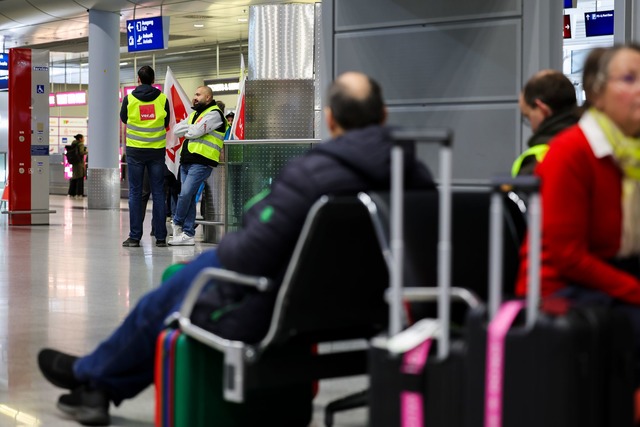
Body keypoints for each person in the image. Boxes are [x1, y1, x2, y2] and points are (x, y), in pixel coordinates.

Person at [37, 71, 435, 426]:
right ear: (382, 116)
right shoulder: (417, 179)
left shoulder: (312, 175)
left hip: (285, 308)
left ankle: (94, 379)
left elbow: (246, 257)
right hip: (373, 310)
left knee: (170, 297)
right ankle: (94, 377)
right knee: (183, 285)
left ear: (330, 119)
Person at [515, 44, 640, 387]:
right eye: (629, 79)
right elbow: (568, 257)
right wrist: (634, 289)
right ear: (597, 94)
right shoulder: (571, 151)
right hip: (561, 288)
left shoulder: (632, 155)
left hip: (610, 272)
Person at [168, 86, 227, 246]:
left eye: (198, 94)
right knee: (190, 196)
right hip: (186, 161)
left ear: (208, 97)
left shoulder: (215, 114)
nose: (194, 97)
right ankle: (188, 234)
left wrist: (191, 130)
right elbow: (176, 129)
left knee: (186, 193)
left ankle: (177, 222)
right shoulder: (195, 114)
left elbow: (193, 133)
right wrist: (192, 129)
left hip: (202, 162)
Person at [120, 65, 170, 248]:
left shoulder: (129, 99)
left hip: (135, 151)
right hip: (156, 151)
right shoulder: (163, 99)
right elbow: (166, 121)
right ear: (153, 80)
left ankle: (134, 237)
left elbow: (124, 118)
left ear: (138, 80)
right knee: (158, 193)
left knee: (135, 192)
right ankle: (161, 237)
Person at [511, 69, 579, 176]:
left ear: (542, 109)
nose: (532, 128)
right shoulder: (594, 146)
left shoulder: (534, 161)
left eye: (528, 116)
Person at [67, 134, 87, 198]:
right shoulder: (80, 144)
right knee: (80, 178)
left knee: (74, 177)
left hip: (74, 163)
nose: (84, 139)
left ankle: (71, 193)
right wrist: (86, 151)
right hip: (79, 163)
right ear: (80, 139)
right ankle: (79, 193)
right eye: (83, 138)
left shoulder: (74, 143)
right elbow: (81, 152)